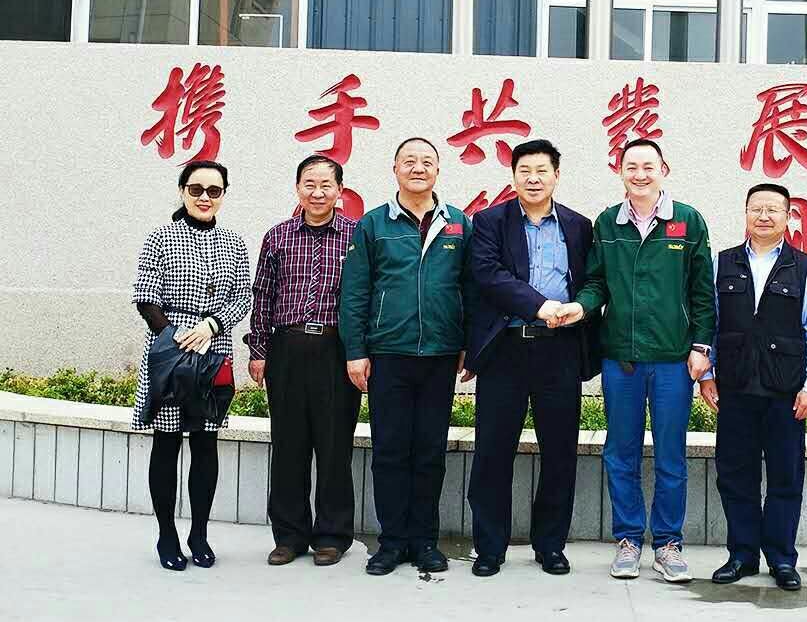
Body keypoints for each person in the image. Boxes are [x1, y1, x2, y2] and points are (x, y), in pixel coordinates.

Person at [557, 138, 714, 583]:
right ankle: (628, 539)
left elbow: (703, 291)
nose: (640, 174)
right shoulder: (608, 222)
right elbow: (597, 282)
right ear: (620, 171)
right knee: (620, 452)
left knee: (671, 454)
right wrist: (580, 306)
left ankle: (668, 544)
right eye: (631, 166)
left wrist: (702, 348)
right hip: (621, 360)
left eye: (648, 166)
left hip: (672, 360)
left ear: (664, 169)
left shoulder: (687, 221)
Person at [465, 139, 600, 577]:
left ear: (557, 176)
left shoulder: (579, 226)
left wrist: (579, 306)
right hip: (506, 348)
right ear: (513, 176)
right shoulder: (490, 221)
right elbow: (488, 274)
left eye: (542, 170)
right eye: (525, 170)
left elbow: (594, 280)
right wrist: (539, 305)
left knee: (559, 452)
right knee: (492, 450)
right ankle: (489, 547)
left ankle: (551, 546)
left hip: (560, 349)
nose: (534, 178)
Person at [339, 137, 473, 576]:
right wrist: (356, 351)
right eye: (409, 161)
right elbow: (355, 292)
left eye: (427, 162)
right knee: (391, 451)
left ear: (438, 170)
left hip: (440, 355)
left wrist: (468, 344)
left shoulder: (458, 224)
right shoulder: (373, 224)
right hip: (389, 354)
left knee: (430, 452)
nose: (418, 168)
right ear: (395, 169)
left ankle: (425, 542)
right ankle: (392, 542)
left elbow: (470, 289)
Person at [699, 183, 807, 592]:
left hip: (785, 390)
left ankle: (781, 558)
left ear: (788, 216)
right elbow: (710, 322)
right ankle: (741, 554)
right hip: (735, 387)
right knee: (734, 474)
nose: (764, 216)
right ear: (745, 213)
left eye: (773, 209)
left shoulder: (806, 267)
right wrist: (706, 375)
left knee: (785, 477)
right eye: (756, 208)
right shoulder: (723, 263)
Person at [131, 160, 251, 571]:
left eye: (214, 191)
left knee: (205, 442)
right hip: (170, 353)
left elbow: (243, 296)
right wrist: (176, 337)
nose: (204, 197)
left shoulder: (234, 242)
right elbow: (145, 296)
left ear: (223, 195)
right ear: (183, 191)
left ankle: (199, 533)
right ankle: (166, 535)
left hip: (214, 349)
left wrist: (212, 325)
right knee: (166, 443)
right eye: (196, 189)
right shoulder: (160, 237)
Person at [247, 155, 361, 567]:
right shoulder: (277, 236)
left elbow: (364, 297)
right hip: (287, 349)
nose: (317, 192)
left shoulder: (356, 236)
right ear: (297, 188)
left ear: (340, 191)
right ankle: (289, 535)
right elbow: (263, 294)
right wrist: (259, 350)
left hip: (336, 350)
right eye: (309, 184)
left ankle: (332, 535)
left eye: (326, 185)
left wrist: (361, 352)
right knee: (289, 445)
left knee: (334, 447)